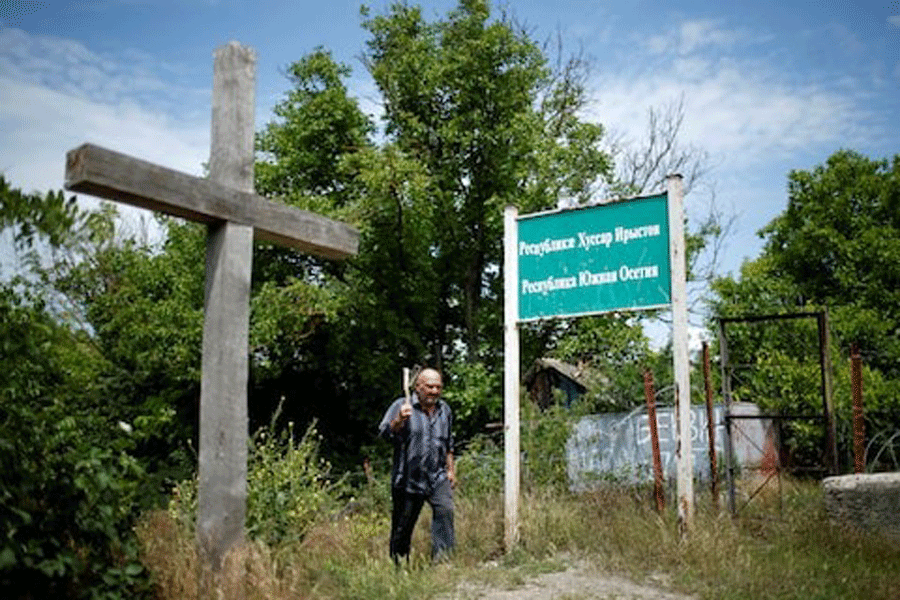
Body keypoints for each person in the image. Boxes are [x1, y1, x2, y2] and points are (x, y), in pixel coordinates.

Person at [378, 367, 456, 564]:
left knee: (445, 510)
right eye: (430, 386)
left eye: (438, 387)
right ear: (418, 387)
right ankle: (399, 564)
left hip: (437, 476)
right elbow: (385, 433)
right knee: (403, 526)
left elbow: (448, 444)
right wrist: (399, 420)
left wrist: (451, 470)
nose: (434, 391)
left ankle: (442, 561)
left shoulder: (444, 410)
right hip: (408, 478)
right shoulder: (402, 405)